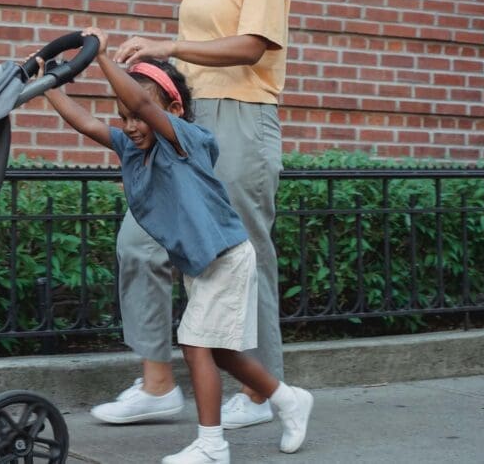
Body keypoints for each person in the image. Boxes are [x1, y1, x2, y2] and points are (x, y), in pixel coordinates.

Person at [37, 28, 312, 464]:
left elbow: (145, 103)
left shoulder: (186, 139)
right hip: (201, 266)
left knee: (195, 344)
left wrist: (103, 58)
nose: (132, 125)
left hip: (227, 258)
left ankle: (212, 445)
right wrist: (49, 85)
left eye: (139, 116)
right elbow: (88, 123)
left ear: (175, 109)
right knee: (220, 351)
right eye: (124, 117)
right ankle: (286, 397)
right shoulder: (133, 147)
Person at [92, 0, 290, 431]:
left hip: (242, 116)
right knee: (141, 241)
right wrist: (148, 72)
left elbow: (251, 45)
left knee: (242, 256)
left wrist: (166, 45)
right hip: (189, 117)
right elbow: (191, 58)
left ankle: (261, 395)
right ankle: (157, 385)